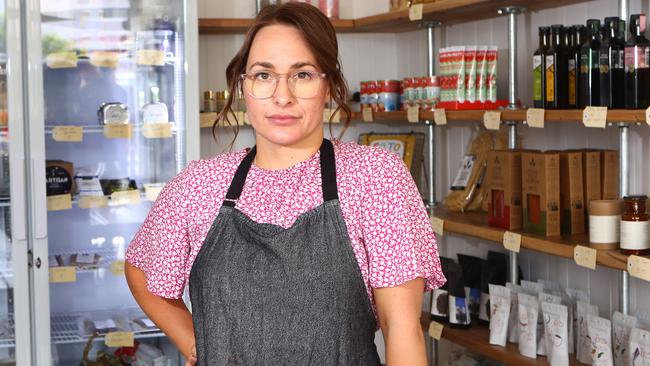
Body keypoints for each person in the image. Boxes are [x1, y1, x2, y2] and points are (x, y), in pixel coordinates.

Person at [124, 3, 445, 365]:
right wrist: (195, 342)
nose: (282, 96)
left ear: (329, 85)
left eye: (303, 74)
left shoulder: (375, 178)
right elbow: (141, 268)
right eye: (263, 75)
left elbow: (401, 328)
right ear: (243, 85)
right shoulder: (199, 185)